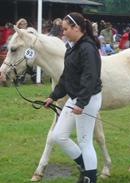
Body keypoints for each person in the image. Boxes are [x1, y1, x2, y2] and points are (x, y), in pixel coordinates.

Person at [44, 12, 102, 183]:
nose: (63, 33)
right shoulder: (72, 47)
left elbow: (90, 78)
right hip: (76, 98)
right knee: (58, 136)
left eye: (65, 29)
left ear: (76, 28)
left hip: (87, 99)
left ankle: (89, 178)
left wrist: (82, 103)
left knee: (85, 142)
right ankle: (87, 168)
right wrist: (53, 97)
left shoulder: (87, 48)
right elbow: (66, 76)